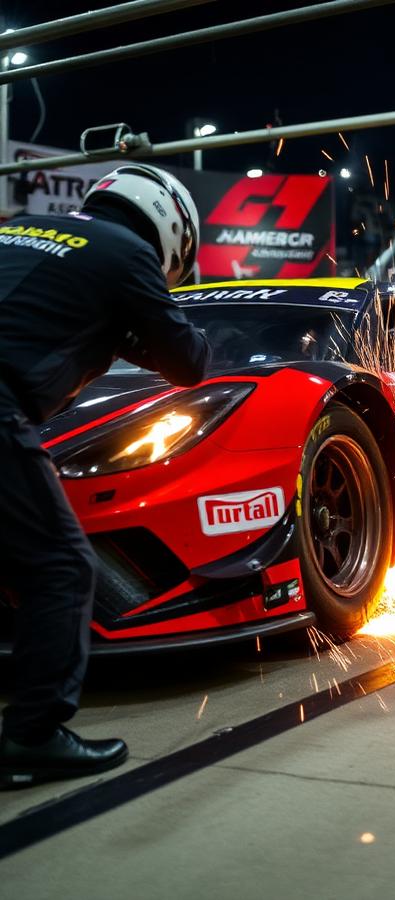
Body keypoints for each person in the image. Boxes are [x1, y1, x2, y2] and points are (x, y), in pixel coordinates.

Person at [0, 163, 210, 787]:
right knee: (63, 565)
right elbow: (191, 362)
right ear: (171, 230)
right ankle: (33, 737)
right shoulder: (126, 253)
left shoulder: (20, 228)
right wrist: (134, 334)